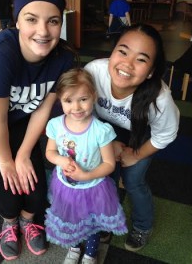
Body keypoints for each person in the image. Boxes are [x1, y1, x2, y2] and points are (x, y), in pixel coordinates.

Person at [0, 0, 77, 261]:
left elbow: (43, 110)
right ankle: (9, 221)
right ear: (17, 20)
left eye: (53, 21)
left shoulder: (63, 58)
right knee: (9, 195)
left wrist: (23, 155)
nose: (43, 31)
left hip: (21, 121)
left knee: (35, 195)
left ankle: (27, 220)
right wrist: (7, 162)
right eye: (31, 19)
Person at [85, 23, 180, 252]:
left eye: (141, 59)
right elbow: (80, 110)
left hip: (142, 135)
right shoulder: (94, 71)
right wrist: (107, 144)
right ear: (112, 51)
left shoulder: (159, 98)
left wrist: (135, 154)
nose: (127, 63)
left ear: (150, 71)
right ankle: (107, 221)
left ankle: (142, 226)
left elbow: (166, 134)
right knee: (103, 179)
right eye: (123, 51)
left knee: (133, 182)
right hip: (105, 127)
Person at [45, 68, 127, 264]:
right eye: (68, 100)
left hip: (93, 187)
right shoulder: (55, 125)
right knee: (71, 217)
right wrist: (61, 160)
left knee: (92, 222)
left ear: (94, 97)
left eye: (83, 99)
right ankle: (74, 247)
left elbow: (109, 164)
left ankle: (90, 253)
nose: (77, 107)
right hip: (65, 186)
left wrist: (85, 176)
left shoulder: (101, 131)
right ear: (60, 101)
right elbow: (50, 152)